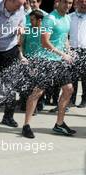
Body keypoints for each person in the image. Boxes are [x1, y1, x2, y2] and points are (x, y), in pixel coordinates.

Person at [22, 0, 76, 138]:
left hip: (59, 61)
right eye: (65, 2)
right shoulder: (50, 19)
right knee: (37, 92)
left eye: (70, 3)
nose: (67, 6)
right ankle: (26, 125)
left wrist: (68, 50)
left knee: (69, 89)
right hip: (45, 60)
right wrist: (62, 54)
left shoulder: (67, 18)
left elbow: (64, 38)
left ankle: (59, 124)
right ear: (58, 2)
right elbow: (45, 42)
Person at [69, 0, 86, 108]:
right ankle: (71, 100)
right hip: (72, 50)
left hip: (85, 50)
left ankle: (84, 100)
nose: (84, 4)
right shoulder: (69, 17)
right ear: (76, 3)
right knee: (72, 77)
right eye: (82, 2)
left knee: (85, 77)